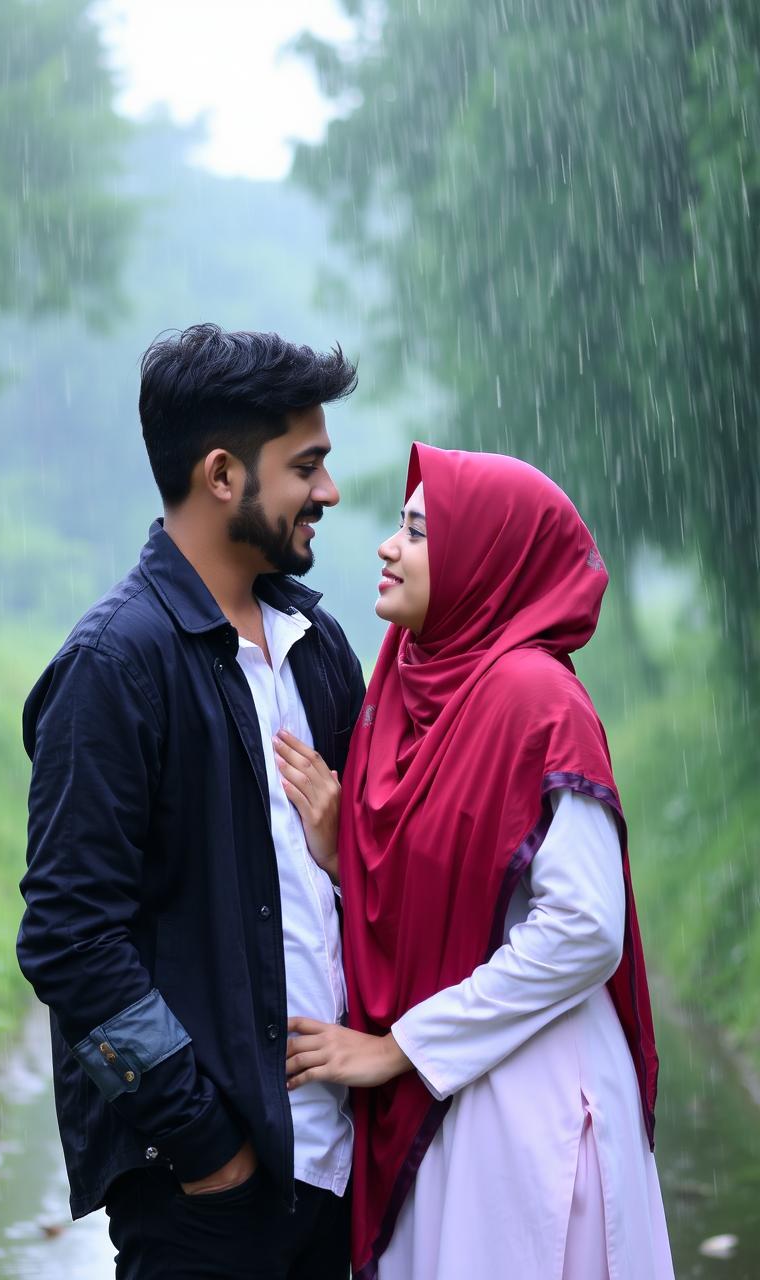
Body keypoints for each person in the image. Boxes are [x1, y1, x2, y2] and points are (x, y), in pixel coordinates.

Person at [16, 324, 365, 1279]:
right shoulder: (112, 668)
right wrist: (205, 1144)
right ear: (221, 474)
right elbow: (68, 939)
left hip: (343, 1175)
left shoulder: (317, 646)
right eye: (307, 466)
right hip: (207, 1204)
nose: (327, 493)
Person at [280, 443, 675, 1279]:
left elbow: (584, 927)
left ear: (485, 562)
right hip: (455, 1100)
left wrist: (399, 1049)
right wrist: (348, 860)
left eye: (419, 533)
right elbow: (460, 881)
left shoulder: (536, 698)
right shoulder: (410, 684)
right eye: (399, 527)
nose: (389, 546)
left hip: (529, 1098)